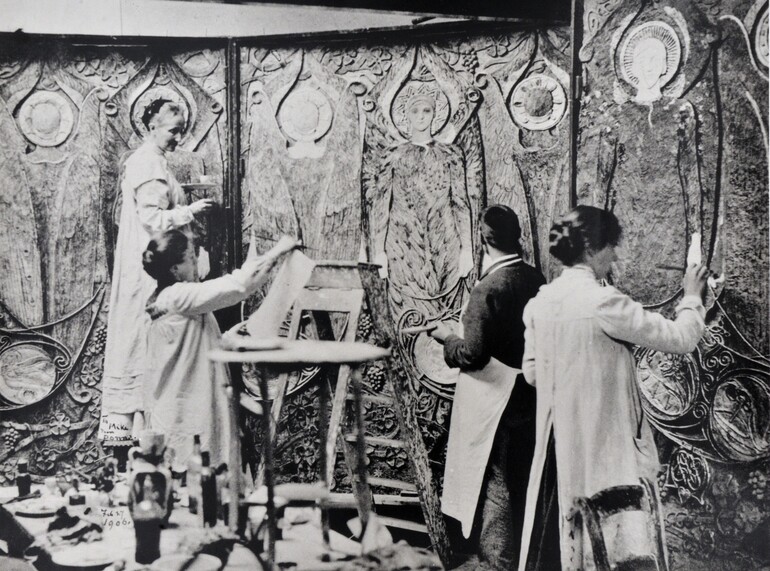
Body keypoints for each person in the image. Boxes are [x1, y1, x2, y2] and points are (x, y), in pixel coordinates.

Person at [518, 205, 709, 571]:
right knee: (610, 547)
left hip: (560, 448)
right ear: (592, 249)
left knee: (569, 541)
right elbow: (682, 338)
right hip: (603, 449)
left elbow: (532, 373)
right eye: (612, 246)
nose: (616, 255)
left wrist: (575, 377)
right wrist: (692, 297)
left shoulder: (540, 303)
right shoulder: (604, 302)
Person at [429, 204, 545, 570]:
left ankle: (498, 561)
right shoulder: (535, 278)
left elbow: (473, 354)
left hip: (497, 400)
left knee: (495, 479)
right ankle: (522, 557)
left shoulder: (488, 288)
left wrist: (447, 338)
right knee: (519, 476)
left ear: (483, 240)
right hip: (529, 393)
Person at [101, 99, 214, 438]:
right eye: (172, 131)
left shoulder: (152, 160)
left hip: (150, 259)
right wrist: (191, 210)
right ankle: (142, 434)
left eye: (181, 131)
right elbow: (152, 219)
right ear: (152, 127)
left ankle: (145, 432)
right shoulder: (148, 162)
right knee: (145, 340)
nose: (178, 138)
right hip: (150, 266)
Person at [141, 230, 300, 467]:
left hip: (177, 404)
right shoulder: (178, 295)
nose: (196, 263)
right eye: (191, 258)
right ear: (175, 269)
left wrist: (225, 338)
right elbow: (239, 285)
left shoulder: (165, 297)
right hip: (185, 409)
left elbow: (184, 347)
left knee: (191, 471)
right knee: (197, 470)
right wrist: (278, 250)